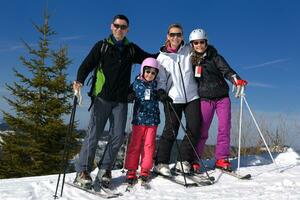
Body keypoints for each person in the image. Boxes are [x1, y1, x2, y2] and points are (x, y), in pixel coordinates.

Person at [73, 14, 156, 189]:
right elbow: (86, 65)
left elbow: (150, 59)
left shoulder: (130, 49)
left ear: (127, 29)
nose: (119, 29)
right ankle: (83, 171)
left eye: (123, 27)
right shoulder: (102, 46)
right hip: (102, 97)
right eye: (117, 26)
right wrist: (79, 80)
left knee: (117, 136)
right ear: (111, 26)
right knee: (93, 135)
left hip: (121, 100)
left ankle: (105, 169)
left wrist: (165, 50)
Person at [189, 28, 247, 172]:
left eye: (201, 42)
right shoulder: (191, 61)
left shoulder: (215, 57)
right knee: (202, 129)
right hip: (205, 98)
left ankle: (221, 158)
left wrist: (236, 80)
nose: (199, 45)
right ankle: (195, 159)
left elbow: (226, 70)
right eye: (196, 43)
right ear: (192, 45)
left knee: (224, 128)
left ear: (206, 42)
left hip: (222, 97)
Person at [154, 24, 201, 176]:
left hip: (192, 95)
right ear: (167, 36)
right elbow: (160, 80)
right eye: (173, 34)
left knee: (194, 128)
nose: (175, 37)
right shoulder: (162, 57)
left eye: (179, 34)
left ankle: (184, 161)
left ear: (182, 36)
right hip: (173, 98)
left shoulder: (188, 49)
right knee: (171, 130)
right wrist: (161, 92)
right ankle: (161, 162)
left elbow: (202, 50)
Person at [124, 57, 160, 184]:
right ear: (142, 70)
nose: (150, 75)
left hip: (152, 121)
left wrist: (162, 95)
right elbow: (126, 95)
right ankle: (131, 169)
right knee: (135, 145)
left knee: (149, 145)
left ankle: (145, 169)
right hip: (139, 120)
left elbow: (162, 92)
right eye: (147, 71)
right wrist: (129, 96)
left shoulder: (156, 85)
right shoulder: (136, 84)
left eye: (153, 72)